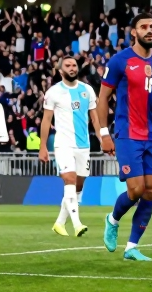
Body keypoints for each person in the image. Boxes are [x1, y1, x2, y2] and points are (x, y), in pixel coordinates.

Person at [97, 12, 152, 261]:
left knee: (151, 191)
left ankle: (131, 246)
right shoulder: (119, 61)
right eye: (143, 27)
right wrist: (104, 134)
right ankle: (112, 219)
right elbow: (102, 98)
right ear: (133, 32)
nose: (149, 30)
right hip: (128, 134)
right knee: (136, 190)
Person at [39, 56, 103, 237]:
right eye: (67, 66)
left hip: (83, 146)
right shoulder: (53, 92)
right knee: (69, 179)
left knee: (79, 185)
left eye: (74, 65)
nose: (72, 68)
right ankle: (77, 224)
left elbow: (95, 118)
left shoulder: (88, 90)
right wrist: (43, 146)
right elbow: (46, 120)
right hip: (63, 144)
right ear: (61, 71)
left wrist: (102, 136)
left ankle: (60, 223)